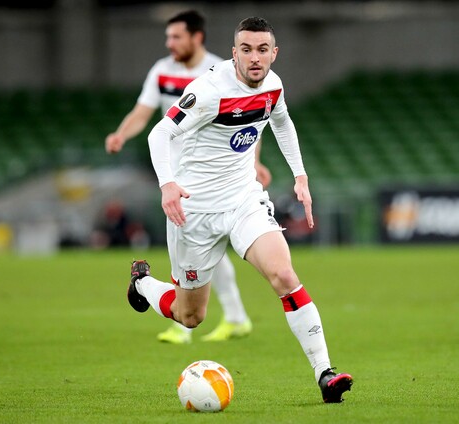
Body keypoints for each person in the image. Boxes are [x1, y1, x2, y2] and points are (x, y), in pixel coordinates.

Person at [130, 16, 353, 403]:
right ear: (234, 53)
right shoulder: (209, 91)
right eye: (246, 50)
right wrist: (167, 184)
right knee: (190, 316)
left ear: (274, 53)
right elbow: (159, 133)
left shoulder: (273, 85)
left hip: (242, 200)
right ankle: (143, 284)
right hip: (194, 211)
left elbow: (282, 122)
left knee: (284, 275)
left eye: (262, 50)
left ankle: (325, 374)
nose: (255, 58)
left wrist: (300, 176)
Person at [105, 10, 267, 344]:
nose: (170, 43)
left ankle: (186, 321)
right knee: (203, 249)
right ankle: (235, 317)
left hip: (207, 175)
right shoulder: (162, 71)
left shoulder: (221, 71)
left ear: (197, 37)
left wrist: (254, 161)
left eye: (176, 37)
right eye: (168, 37)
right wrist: (122, 134)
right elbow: (142, 112)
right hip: (174, 175)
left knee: (196, 249)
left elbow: (249, 117)